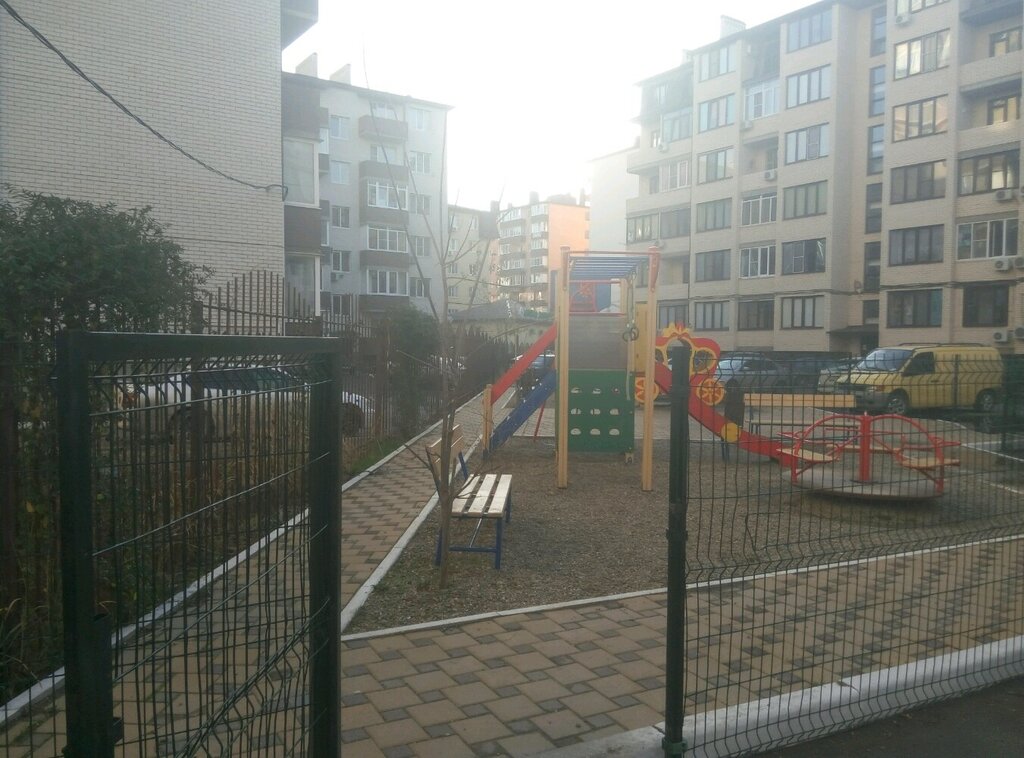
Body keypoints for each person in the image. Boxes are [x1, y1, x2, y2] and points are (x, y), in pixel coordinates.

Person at [720, 384, 745, 462]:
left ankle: (726, 454)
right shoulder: (738, 400)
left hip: (731, 420)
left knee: (725, 435)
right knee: (726, 434)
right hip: (734, 420)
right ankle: (726, 454)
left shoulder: (729, 399)